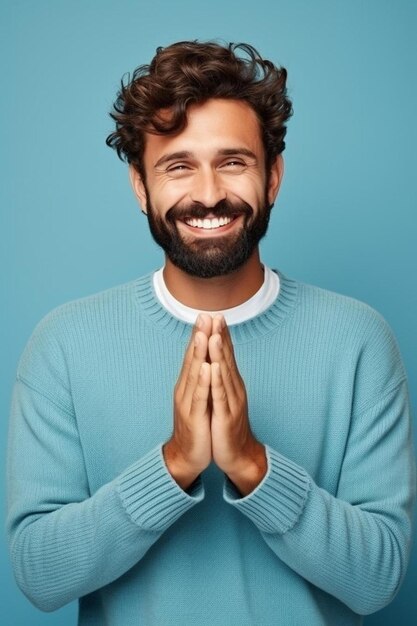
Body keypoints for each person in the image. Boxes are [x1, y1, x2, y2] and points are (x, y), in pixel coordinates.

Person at [6, 41, 415, 626]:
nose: (207, 193)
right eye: (178, 166)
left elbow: (378, 581)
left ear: (272, 176)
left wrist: (252, 464)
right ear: (140, 187)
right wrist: (174, 464)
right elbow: (40, 578)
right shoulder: (64, 345)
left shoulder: (358, 340)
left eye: (233, 161)